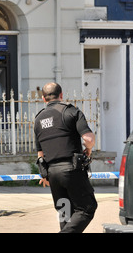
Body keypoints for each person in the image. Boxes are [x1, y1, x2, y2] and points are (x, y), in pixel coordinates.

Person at [34, 82, 98, 233]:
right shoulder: (71, 112)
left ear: (43, 98)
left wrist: (44, 175)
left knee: (65, 213)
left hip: (52, 174)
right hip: (71, 170)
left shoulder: (38, 120)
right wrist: (88, 150)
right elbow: (89, 139)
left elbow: (40, 153)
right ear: (61, 95)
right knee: (87, 208)